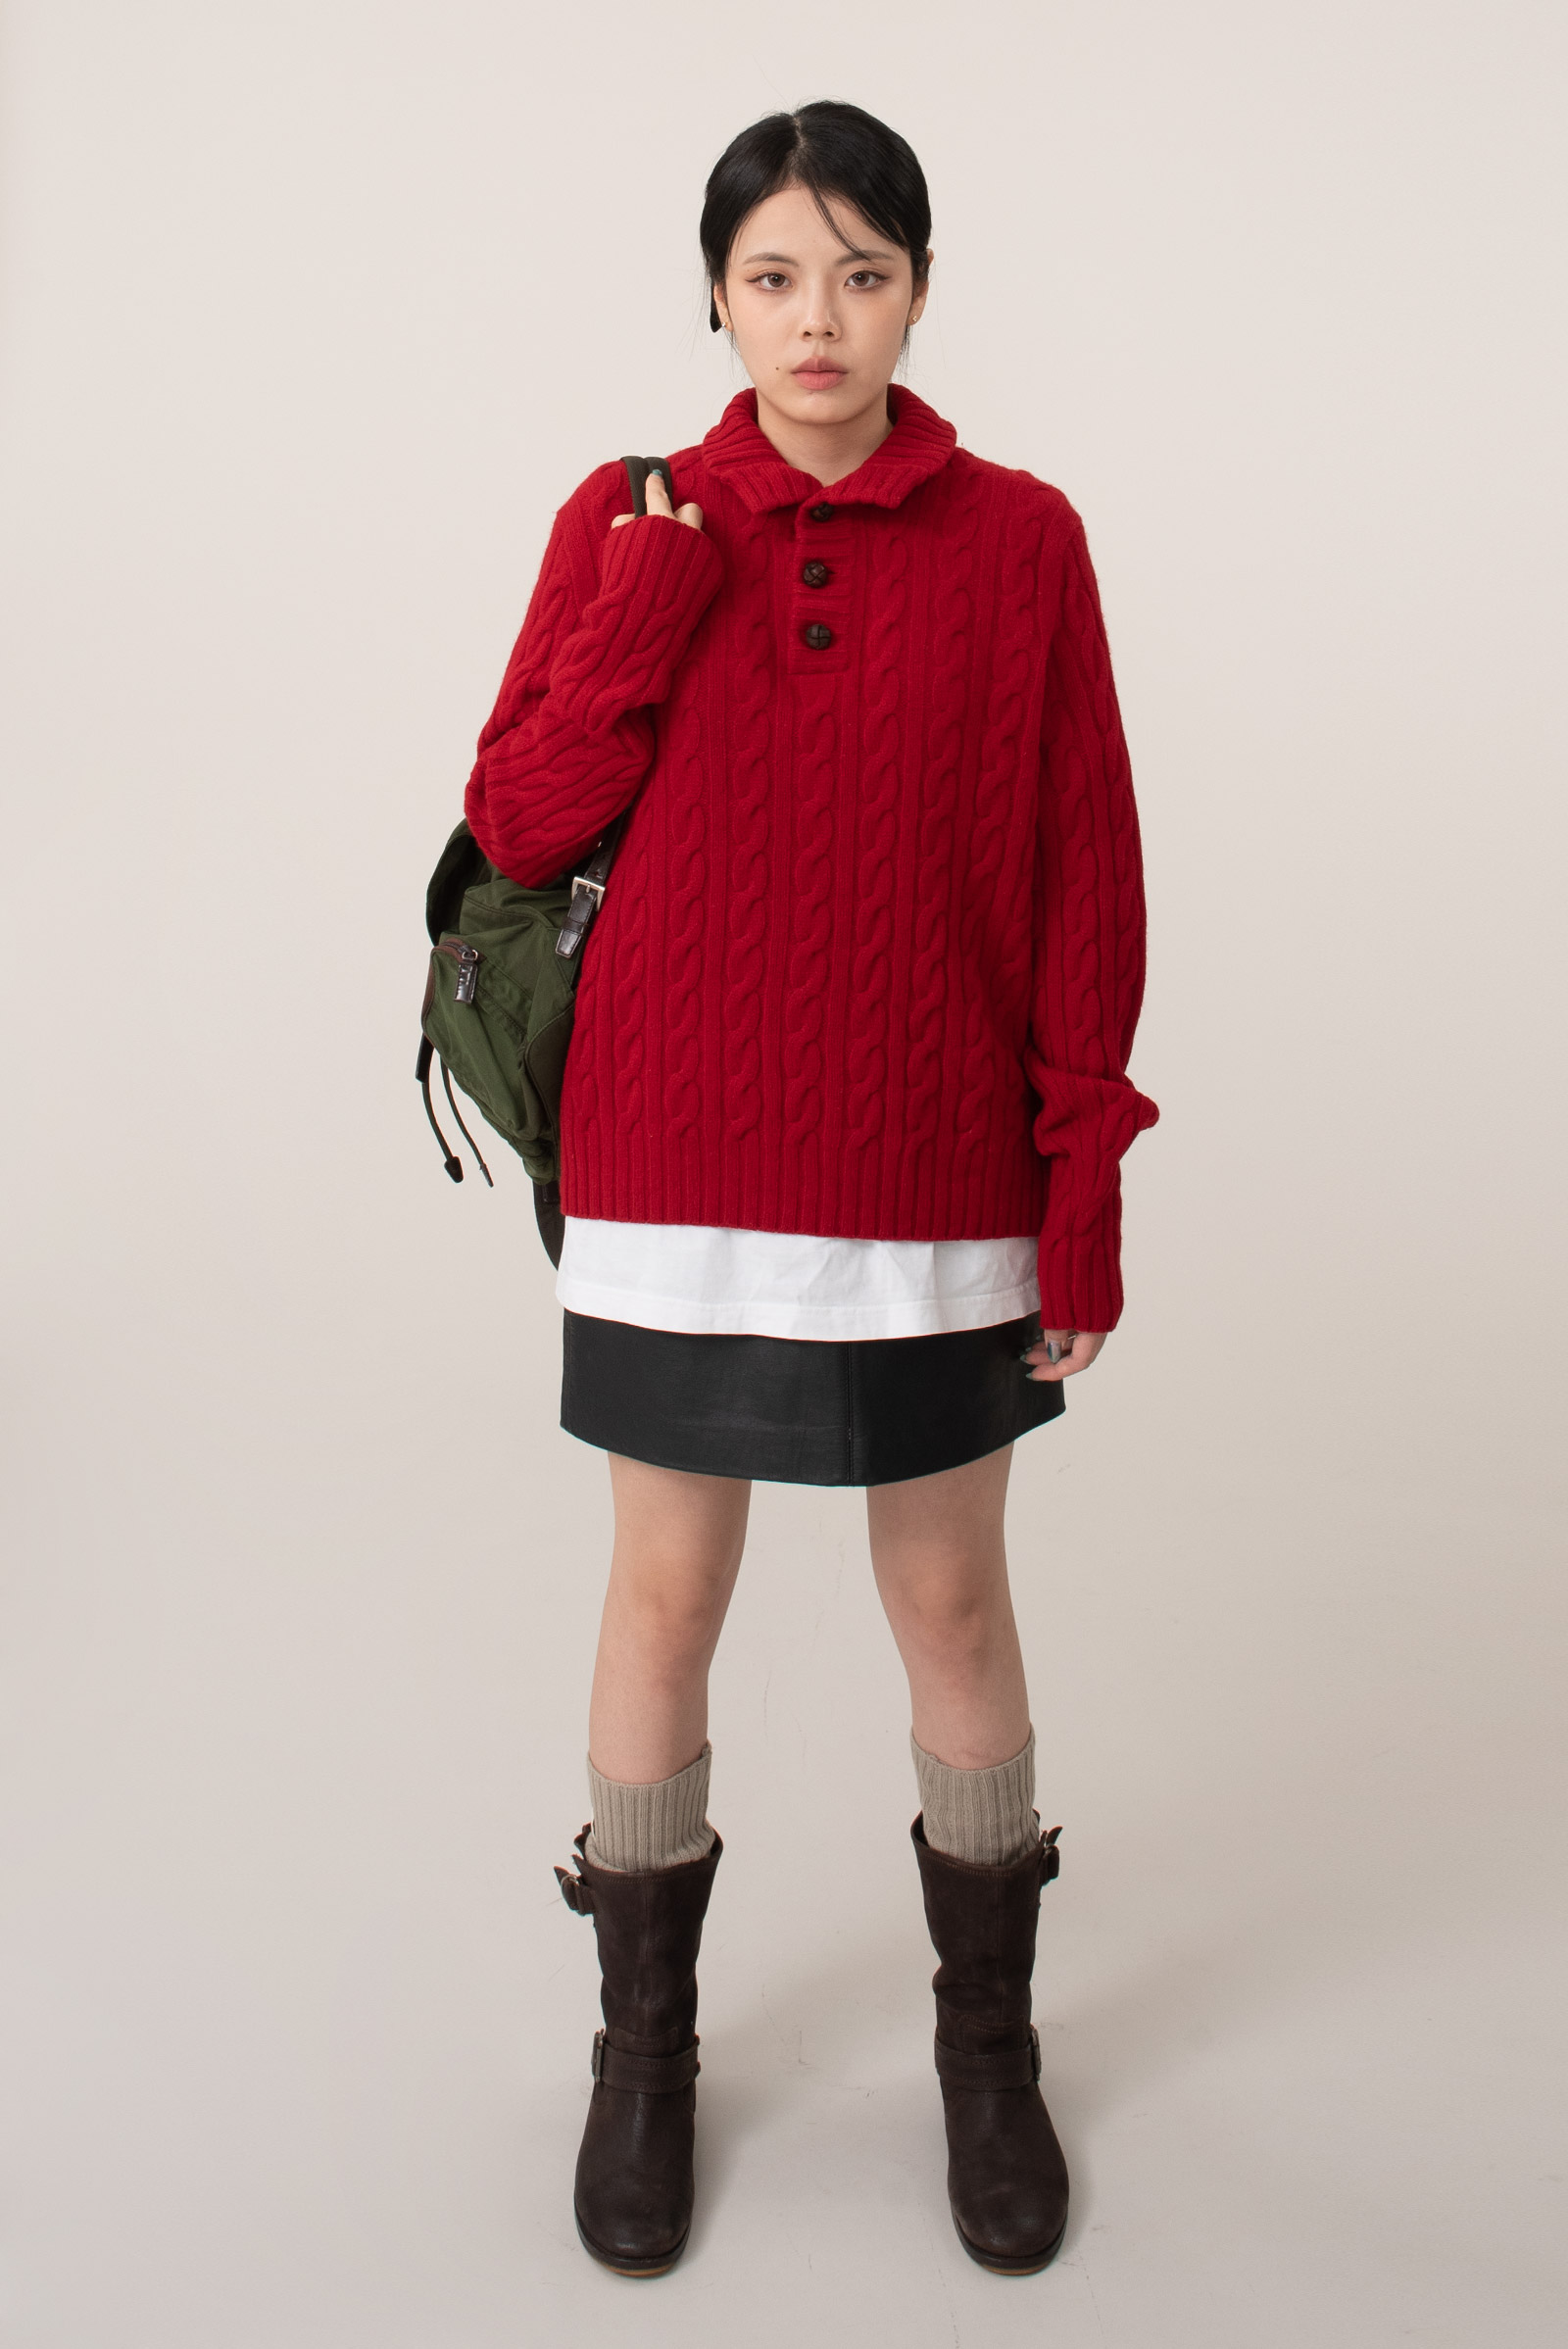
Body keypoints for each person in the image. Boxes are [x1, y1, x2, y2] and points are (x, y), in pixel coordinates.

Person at [464, 99, 1158, 2280]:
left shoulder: (1024, 540)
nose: (818, 318)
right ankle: (642, 2051)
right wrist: (647, 607)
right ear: (716, 296)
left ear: (920, 289)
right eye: (774, 275)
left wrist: (1080, 1177)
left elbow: (1082, 868)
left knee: (949, 1605)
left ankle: (986, 2047)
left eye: (861, 272)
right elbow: (516, 824)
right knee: (664, 1597)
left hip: (937, 1172)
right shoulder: (629, 517)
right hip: (674, 1164)